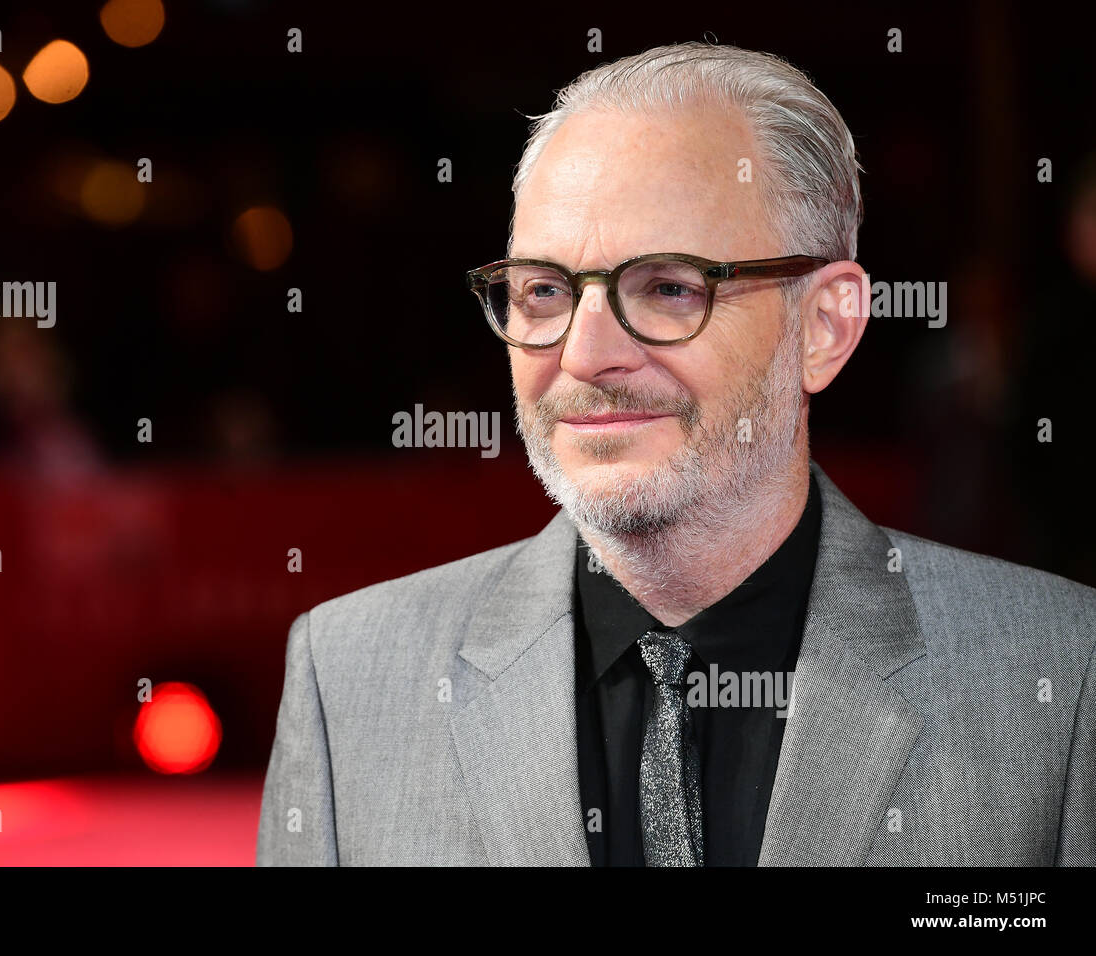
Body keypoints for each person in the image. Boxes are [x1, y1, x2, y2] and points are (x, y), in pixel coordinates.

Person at [256, 42, 1096, 866]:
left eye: (667, 287)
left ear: (825, 327)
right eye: (544, 290)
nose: (585, 354)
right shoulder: (349, 680)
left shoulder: (1060, 674)